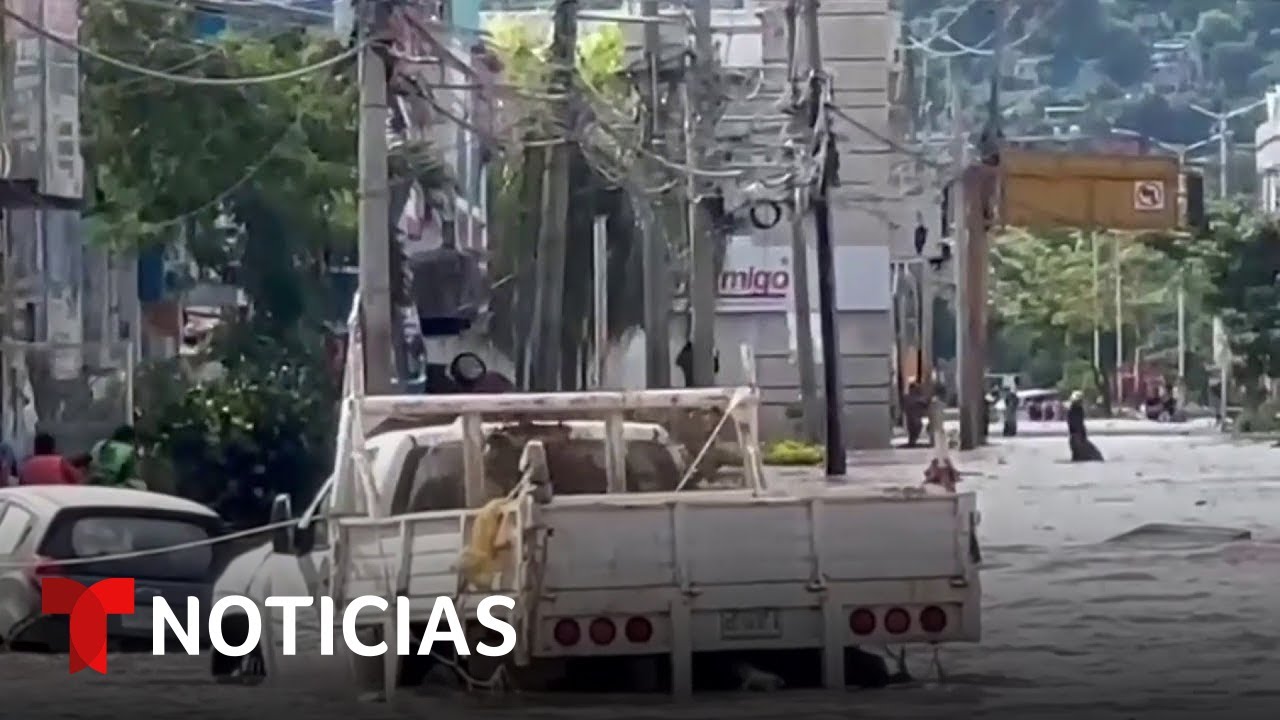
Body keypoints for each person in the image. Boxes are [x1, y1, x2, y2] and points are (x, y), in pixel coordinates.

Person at [18, 432, 84, 485]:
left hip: (32, 498)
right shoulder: (59, 461)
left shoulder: (26, 463)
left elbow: (21, 483)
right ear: (52, 448)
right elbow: (77, 479)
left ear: (35, 447)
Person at [1066, 391, 1103, 462]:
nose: (1081, 402)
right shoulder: (1073, 411)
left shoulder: (1078, 410)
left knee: (1083, 458)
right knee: (1095, 457)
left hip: (1078, 438)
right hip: (1077, 438)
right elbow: (1076, 425)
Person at [902, 380, 928, 447]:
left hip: (915, 417)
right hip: (913, 417)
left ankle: (912, 442)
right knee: (914, 429)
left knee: (915, 429)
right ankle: (912, 442)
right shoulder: (909, 397)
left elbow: (925, 404)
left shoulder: (910, 397)